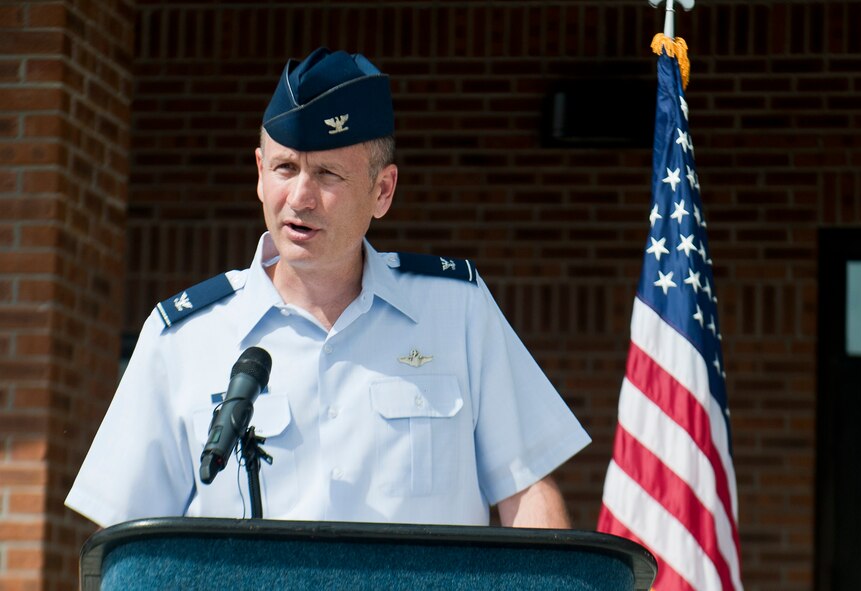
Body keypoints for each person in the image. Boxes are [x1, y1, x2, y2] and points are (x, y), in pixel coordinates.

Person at [65, 48, 590, 529]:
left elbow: (528, 496)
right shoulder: (182, 337)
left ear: (382, 190)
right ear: (258, 173)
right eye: (285, 168)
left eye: (328, 174)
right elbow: (123, 544)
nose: (300, 197)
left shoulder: (458, 312)